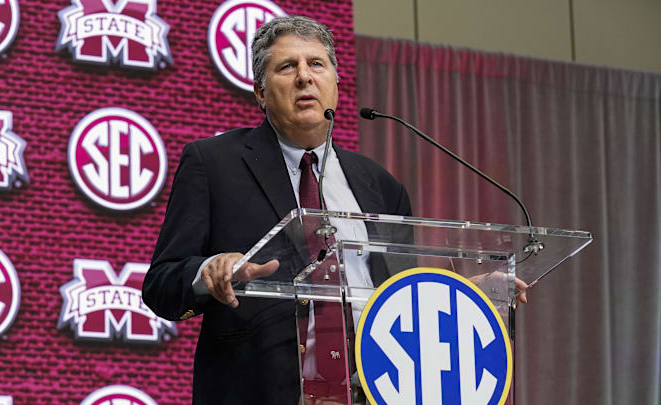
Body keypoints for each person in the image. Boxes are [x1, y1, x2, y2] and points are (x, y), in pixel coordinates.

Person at [142, 15, 527, 405]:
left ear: (336, 86)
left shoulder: (381, 185)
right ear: (260, 91)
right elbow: (160, 283)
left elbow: (399, 303)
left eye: (316, 64)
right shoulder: (213, 164)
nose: (304, 77)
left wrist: (462, 296)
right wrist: (207, 273)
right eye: (287, 67)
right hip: (259, 389)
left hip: (371, 390)